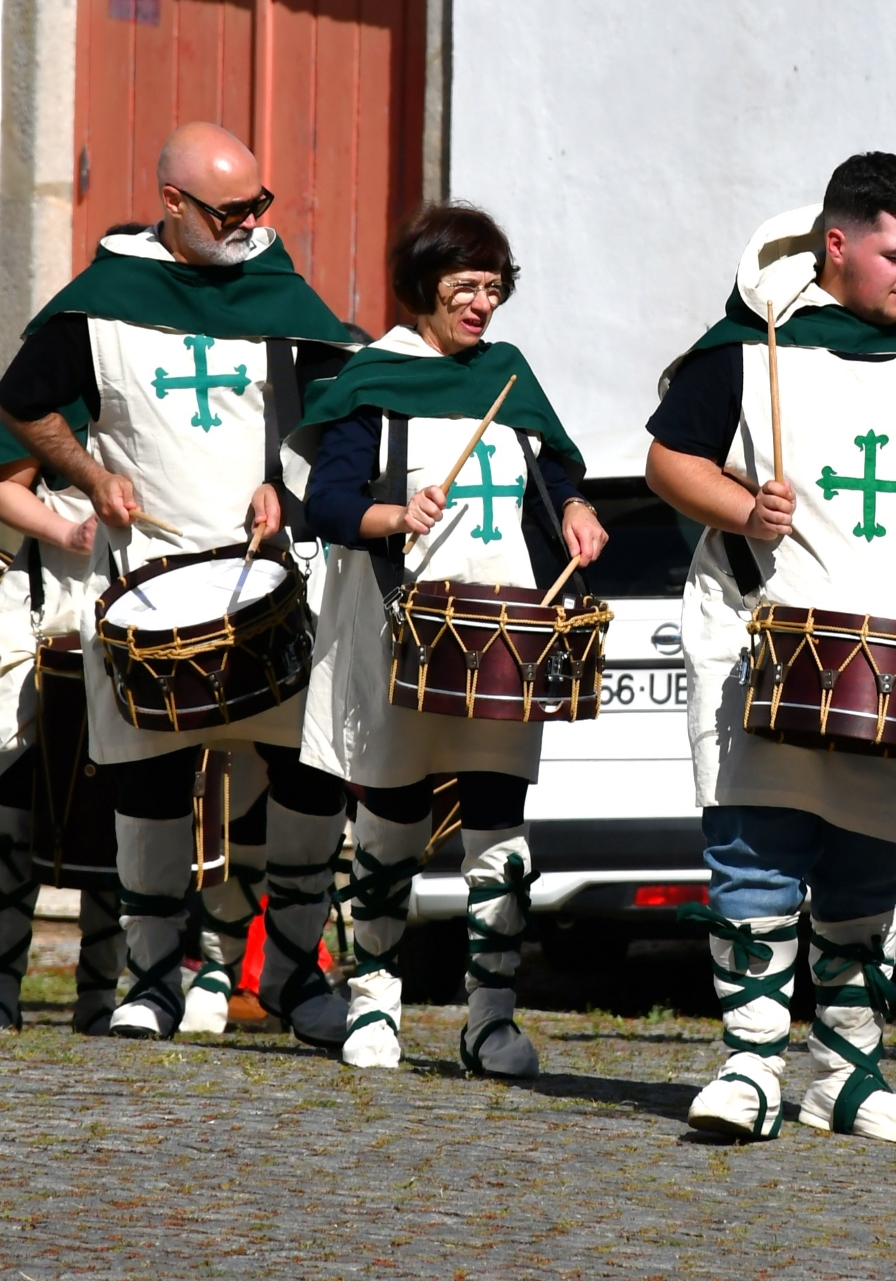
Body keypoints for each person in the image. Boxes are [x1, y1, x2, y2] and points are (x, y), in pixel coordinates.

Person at [648, 152, 896, 1141]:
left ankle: (847, 1072)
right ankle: (748, 1065)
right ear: (836, 244)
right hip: (761, 632)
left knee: (868, 862)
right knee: (757, 847)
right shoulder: (750, 349)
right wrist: (743, 505)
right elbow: (667, 459)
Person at [0, 122, 355, 1044]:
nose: (248, 224)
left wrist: (290, 475)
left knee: (311, 774)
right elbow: (22, 402)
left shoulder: (277, 290)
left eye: (256, 205)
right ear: (171, 203)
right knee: (147, 785)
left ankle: (289, 973)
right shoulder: (101, 303)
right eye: (229, 210)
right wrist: (86, 471)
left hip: (269, 576)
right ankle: (153, 981)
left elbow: (332, 419)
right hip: (145, 581)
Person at [288, 203, 607, 1076]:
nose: (482, 306)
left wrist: (577, 510)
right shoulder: (371, 381)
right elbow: (326, 503)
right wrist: (393, 512)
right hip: (397, 635)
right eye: (466, 287)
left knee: (499, 830)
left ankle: (490, 1019)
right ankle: (373, 1004)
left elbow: (554, 471)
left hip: (498, 636)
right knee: (389, 824)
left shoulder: (507, 377)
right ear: (424, 287)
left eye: (494, 289)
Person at [0, 403, 132, 1034]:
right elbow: (0, 485)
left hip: (142, 622)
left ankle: (99, 993)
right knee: (14, 791)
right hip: (46, 609)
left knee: (122, 804)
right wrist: (67, 534)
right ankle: (1, 985)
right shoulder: (59, 398)